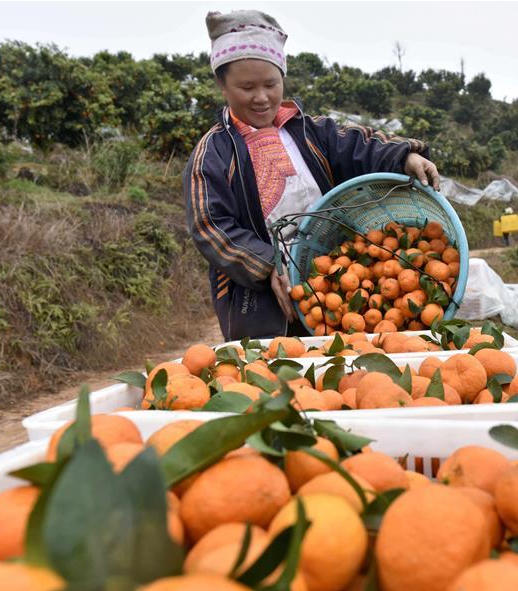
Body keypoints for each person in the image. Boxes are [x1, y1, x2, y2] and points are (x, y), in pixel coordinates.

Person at [184, 10, 441, 342]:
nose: (261, 97)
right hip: (261, 296)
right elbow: (210, 225)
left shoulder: (310, 131)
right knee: (274, 374)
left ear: (283, 78)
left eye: (270, 84)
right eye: (247, 87)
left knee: (341, 364)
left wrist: (406, 154)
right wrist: (266, 265)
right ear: (223, 86)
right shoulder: (213, 153)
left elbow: (358, 146)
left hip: (337, 276)